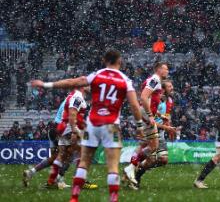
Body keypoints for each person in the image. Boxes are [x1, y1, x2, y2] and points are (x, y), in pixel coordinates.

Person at [30, 49, 150, 202]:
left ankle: (74, 198)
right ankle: (113, 199)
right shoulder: (125, 80)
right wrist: (139, 125)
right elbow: (134, 105)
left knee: (84, 161)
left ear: (104, 60)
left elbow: (72, 82)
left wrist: (46, 84)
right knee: (112, 166)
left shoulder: (97, 75)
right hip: (111, 125)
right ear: (120, 61)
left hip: (92, 125)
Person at [124, 62, 169, 185]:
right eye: (166, 69)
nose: (167, 71)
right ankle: (131, 168)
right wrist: (150, 116)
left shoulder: (155, 81)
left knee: (150, 147)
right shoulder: (155, 79)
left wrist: (159, 115)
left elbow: (149, 100)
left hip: (145, 115)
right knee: (152, 146)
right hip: (146, 117)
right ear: (159, 70)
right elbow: (144, 97)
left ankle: (131, 169)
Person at [131, 80, 177, 189]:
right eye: (170, 86)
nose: (172, 88)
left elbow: (166, 117)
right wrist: (166, 127)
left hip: (160, 132)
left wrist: (168, 126)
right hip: (151, 131)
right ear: (164, 89)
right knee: (152, 158)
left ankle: (137, 169)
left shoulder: (169, 100)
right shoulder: (155, 101)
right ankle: (134, 173)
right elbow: (149, 120)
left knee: (163, 160)